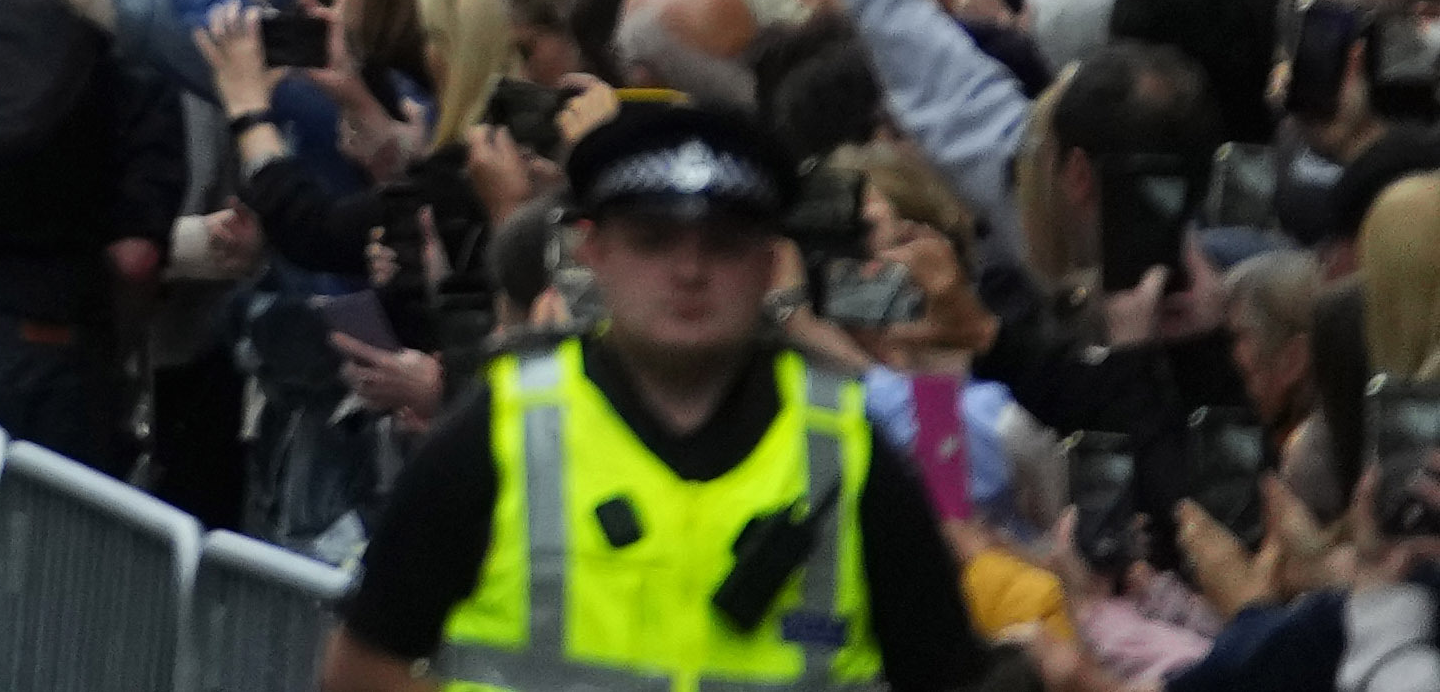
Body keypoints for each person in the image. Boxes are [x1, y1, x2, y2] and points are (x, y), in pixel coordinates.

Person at [311, 93, 994, 692]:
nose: (688, 271)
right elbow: (362, 666)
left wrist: (936, 362)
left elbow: (946, 661)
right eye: (652, 240)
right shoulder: (497, 431)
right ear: (592, 252)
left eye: (722, 245)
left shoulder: (848, 448)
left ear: (768, 262)